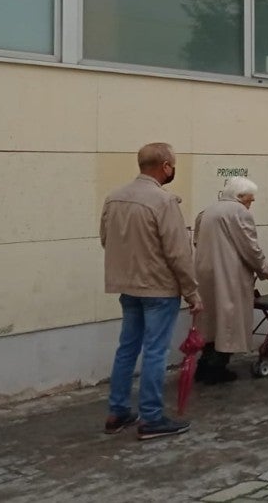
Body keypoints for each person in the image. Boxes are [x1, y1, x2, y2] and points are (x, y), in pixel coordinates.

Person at [100, 142, 201, 440]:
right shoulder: (163, 201)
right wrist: (192, 292)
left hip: (127, 285)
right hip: (158, 286)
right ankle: (151, 418)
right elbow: (178, 253)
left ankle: (117, 412)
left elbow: (106, 238)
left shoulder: (114, 197)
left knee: (127, 348)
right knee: (155, 351)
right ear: (166, 166)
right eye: (173, 165)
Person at [194, 176, 268, 385]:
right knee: (228, 321)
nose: (251, 203)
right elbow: (250, 247)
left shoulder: (207, 211)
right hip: (229, 275)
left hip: (205, 272)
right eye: (250, 199)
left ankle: (204, 365)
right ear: (240, 196)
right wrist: (266, 270)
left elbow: (196, 241)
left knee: (211, 321)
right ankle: (217, 368)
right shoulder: (239, 212)